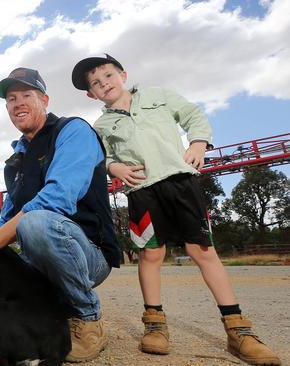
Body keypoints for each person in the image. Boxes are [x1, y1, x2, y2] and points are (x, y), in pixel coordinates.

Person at [71, 54, 280, 365]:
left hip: (181, 182)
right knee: (151, 254)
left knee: (203, 251)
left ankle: (238, 330)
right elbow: (99, 157)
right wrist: (114, 167)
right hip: (142, 192)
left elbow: (192, 114)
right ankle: (154, 325)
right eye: (96, 84)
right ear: (92, 94)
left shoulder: (157, 96)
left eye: (108, 76)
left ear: (123, 75)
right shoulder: (102, 125)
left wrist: (198, 143)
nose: (105, 84)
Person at [0, 67, 121, 362]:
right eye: (11, 99)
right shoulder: (15, 162)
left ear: (45, 100)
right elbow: (7, 217)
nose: (18, 103)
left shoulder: (73, 132)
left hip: (88, 252)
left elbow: (57, 199)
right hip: (38, 258)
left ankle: (87, 318)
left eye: (27, 95)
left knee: (36, 223)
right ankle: (33, 322)